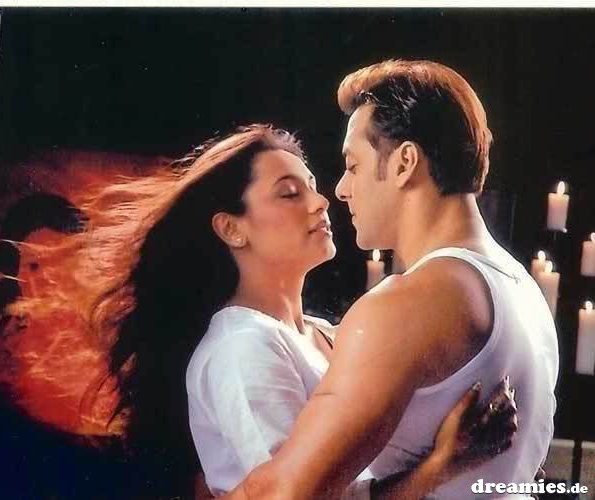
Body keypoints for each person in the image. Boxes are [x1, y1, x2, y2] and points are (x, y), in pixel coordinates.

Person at [73, 123, 515, 499]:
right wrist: (441, 466)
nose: (320, 202)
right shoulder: (241, 347)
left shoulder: (323, 333)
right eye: (289, 194)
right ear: (232, 229)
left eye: (313, 187)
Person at [217, 60, 559, 500]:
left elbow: (286, 495)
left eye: (353, 165)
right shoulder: (522, 288)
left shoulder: (409, 304)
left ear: (404, 163)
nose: (341, 189)